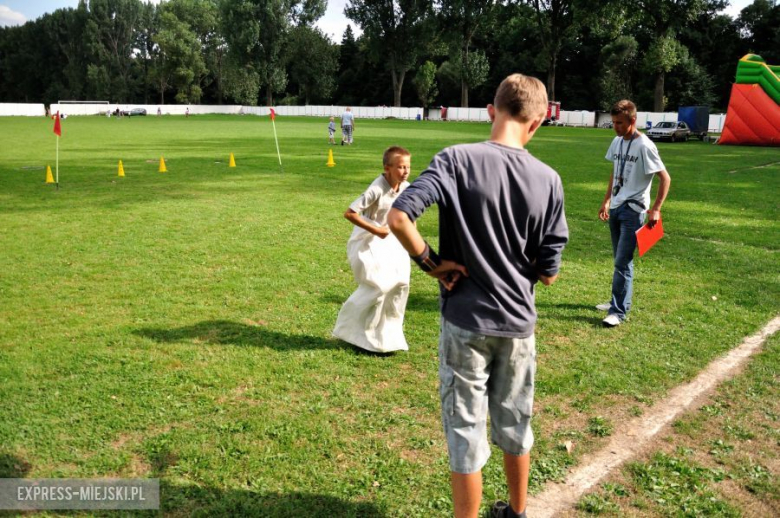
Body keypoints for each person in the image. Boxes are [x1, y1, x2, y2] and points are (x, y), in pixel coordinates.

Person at [388, 74, 569, 518]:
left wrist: (431, 262)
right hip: (517, 326)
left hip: (465, 322)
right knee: (515, 424)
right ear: (538, 122)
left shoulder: (454, 160)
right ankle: (517, 513)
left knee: (466, 432)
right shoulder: (549, 179)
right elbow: (548, 274)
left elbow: (398, 218)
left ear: (492, 110)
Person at [597, 100, 670, 327]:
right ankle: (615, 301)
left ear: (633, 120)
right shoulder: (617, 141)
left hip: (634, 210)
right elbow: (614, 171)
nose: (616, 127)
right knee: (619, 260)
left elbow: (665, 178)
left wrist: (655, 209)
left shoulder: (645, 146)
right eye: (614, 123)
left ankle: (618, 312)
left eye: (620, 123)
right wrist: (607, 200)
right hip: (617, 207)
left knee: (622, 262)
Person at [332, 146, 413, 353]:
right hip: (367, 240)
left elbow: (408, 217)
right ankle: (350, 330)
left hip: (392, 241)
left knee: (400, 284)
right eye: (400, 167)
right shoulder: (377, 188)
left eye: (408, 167)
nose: (405, 171)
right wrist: (376, 229)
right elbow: (350, 213)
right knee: (378, 285)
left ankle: (387, 338)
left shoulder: (406, 188)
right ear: (387, 168)